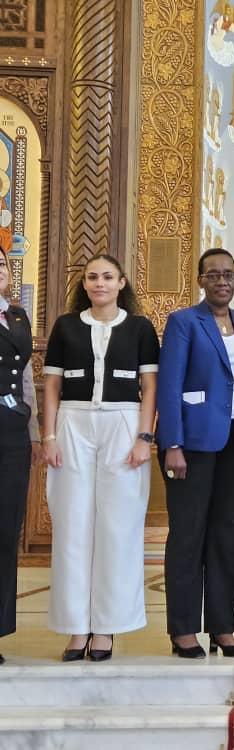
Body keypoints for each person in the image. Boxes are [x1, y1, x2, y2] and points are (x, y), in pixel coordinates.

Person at [42, 254, 159, 662]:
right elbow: (52, 386)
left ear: (122, 282)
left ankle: (107, 625)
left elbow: (150, 386)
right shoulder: (66, 326)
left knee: (118, 526)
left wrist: (144, 437)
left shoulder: (140, 328)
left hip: (123, 424)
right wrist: (49, 436)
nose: (100, 283)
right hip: (73, 424)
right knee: (72, 524)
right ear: (84, 284)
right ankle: (77, 627)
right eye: (92, 277)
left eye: (108, 277)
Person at [156, 248, 234, 659]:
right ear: (200, 280)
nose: (221, 281)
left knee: (227, 533)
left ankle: (222, 628)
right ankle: (183, 629)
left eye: (228, 274)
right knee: (188, 532)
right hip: (192, 443)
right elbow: (169, 384)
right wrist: (172, 444)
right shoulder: (184, 322)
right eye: (213, 274)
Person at [0, 247, 40, 664]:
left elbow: (25, 378)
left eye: (0, 263)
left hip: (12, 431)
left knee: (6, 528)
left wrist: (34, 434)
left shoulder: (17, 317)